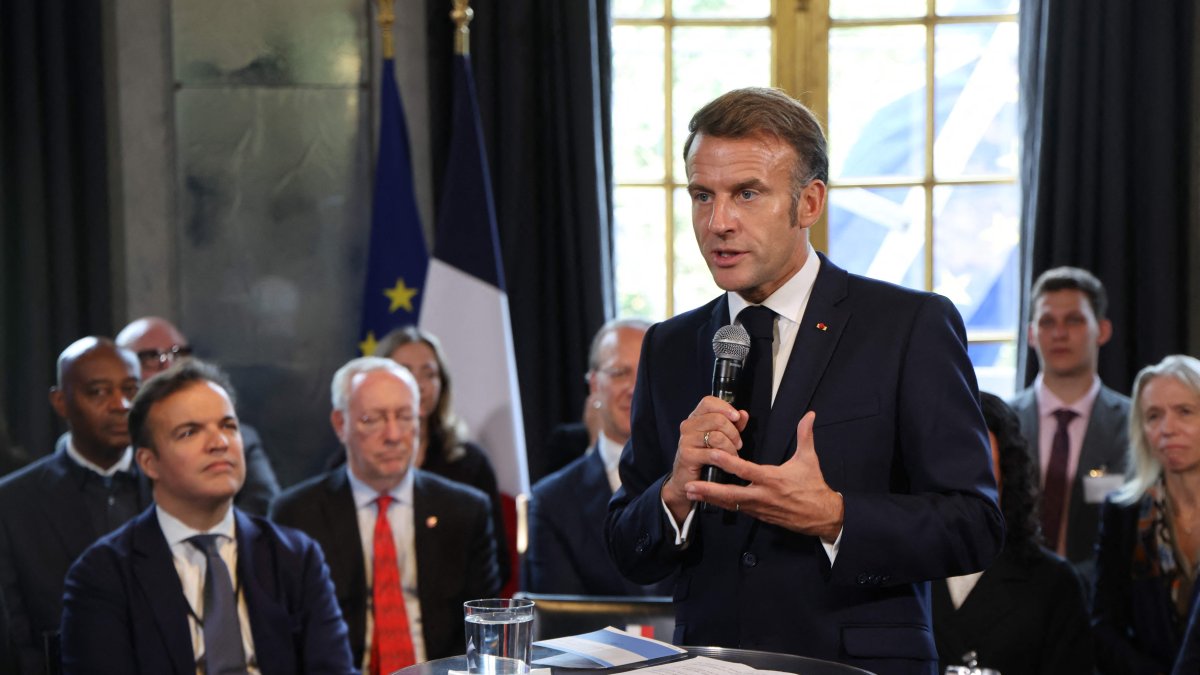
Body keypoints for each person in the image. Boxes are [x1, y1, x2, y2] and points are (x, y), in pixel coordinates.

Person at [604, 87, 1003, 674]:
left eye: (746, 194)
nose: (718, 222)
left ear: (808, 203)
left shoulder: (908, 325)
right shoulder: (668, 346)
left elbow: (975, 525)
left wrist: (837, 516)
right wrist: (673, 494)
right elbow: (626, 547)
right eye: (701, 196)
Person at [59, 360, 354, 674]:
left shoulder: (294, 557)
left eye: (228, 426)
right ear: (149, 463)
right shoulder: (103, 574)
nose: (219, 443)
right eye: (189, 432)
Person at [271, 357, 500, 672]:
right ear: (341, 424)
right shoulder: (297, 515)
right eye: (373, 419)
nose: (393, 435)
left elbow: (484, 631)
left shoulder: (465, 510)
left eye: (405, 417)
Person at [0, 337, 152, 674]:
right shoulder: (12, 502)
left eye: (131, 389)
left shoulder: (171, 482)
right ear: (60, 402)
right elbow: (16, 633)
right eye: (98, 392)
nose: (121, 404)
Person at [933, 392, 1093, 674]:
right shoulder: (892, 574)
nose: (963, 470)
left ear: (1007, 470)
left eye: (977, 452)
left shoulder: (1055, 584)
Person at [529, 319, 672, 595]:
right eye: (620, 373)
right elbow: (561, 619)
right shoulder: (551, 502)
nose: (634, 387)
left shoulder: (703, 481)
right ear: (594, 384)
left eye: (645, 371)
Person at [1010, 267, 1130, 576]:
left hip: (1098, 603)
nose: (1059, 333)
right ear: (1032, 334)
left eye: (1074, 320)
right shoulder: (1001, 422)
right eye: (1047, 321)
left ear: (1102, 330)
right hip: (1011, 600)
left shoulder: (1135, 424)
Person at [374, 326, 510, 586]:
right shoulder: (356, 463)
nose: (419, 385)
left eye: (429, 374)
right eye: (405, 372)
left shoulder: (470, 463)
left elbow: (497, 563)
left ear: (442, 384)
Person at [1093, 355, 1200, 675]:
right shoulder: (1123, 513)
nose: (1167, 429)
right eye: (1154, 416)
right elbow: (1103, 625)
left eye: (1185, 412)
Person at [116, 316, 280, 515]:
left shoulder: (243, 440)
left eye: (178, 353)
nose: (169, 366)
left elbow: (263, 505)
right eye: (151, 357)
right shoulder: (113, 446)